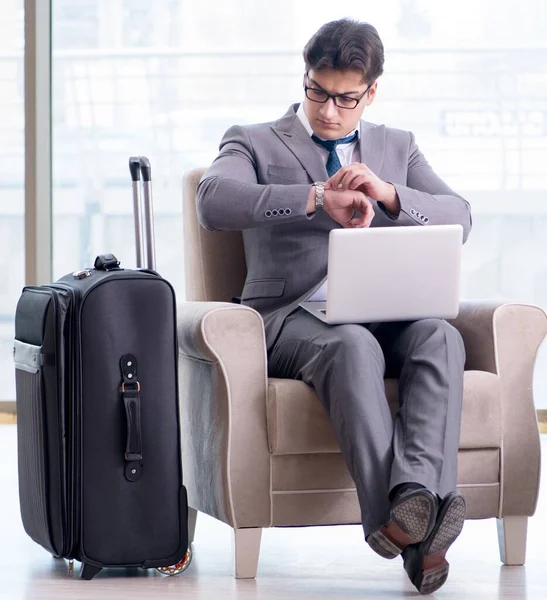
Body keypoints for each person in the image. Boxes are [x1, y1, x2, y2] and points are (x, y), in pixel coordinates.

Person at [197, 18, 472, 595]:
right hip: (290, 317)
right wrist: (316, 197)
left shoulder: (397, 147)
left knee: (442, 337)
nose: (328, 111)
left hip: (383, 308)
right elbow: (214, 202)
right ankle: (417, 536)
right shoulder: (254, 139)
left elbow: (461, 216)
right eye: (317, 92)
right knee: (351, 344)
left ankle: (409, 512)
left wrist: (389, 194)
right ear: (304, 79)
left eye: (346, 98)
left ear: (371, 92)